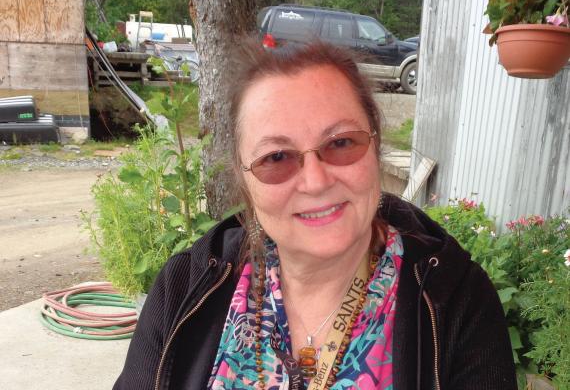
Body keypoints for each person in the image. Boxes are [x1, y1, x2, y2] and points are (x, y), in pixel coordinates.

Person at [114, 40, 516, 390]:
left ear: (375, 148)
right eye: (276, 157)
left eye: (341, 143)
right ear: (245, 178)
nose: (315, 180)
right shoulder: (185, 286)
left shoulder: (455, 298)